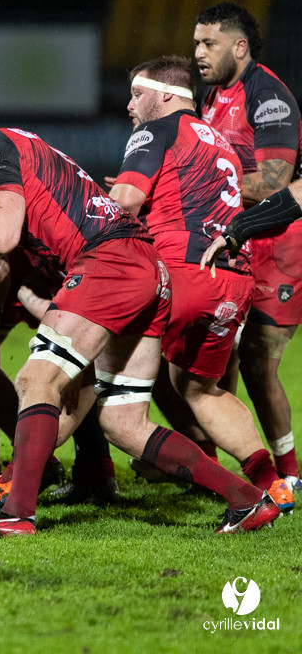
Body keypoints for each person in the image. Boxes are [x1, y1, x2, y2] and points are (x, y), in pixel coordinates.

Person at [0, 83, 278, 536]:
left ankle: (15, 516)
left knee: (34, 379)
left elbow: (1, 236)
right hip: (148, 269)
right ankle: (247, 499)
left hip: (108, 264)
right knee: (123, 423)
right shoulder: (26, 141)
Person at [111, 56, 293, 510]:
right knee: (198, 388)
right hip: (232, 278)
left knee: (87, 364)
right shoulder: (223, 143)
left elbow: (126, 202)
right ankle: (273, 484)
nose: (130, 105)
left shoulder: (156, 130)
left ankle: (32, 482)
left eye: (137, 93)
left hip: (182, 273)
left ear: (166, 96)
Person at [194, 2, 301, 490]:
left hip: (281, 245)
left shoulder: (267, 97)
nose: (198, 52)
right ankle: (211, 459)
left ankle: (291, 474)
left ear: (239, 47)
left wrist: (204, 180)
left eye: (208, 43)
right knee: (221, 353)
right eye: (197, 42)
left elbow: (279, 183)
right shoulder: (212, 94)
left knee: (258, 361)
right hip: (239, 240)